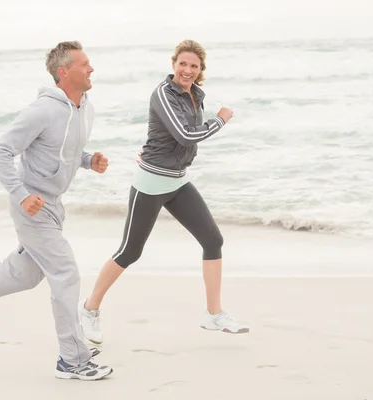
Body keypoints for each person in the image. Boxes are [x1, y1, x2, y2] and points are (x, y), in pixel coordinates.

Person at [0, 41, 113, 381]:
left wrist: (90, 161)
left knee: (24, 274)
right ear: (64, 72)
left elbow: (64, 151)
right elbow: (1, 151)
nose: (92, 69)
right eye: (85, 64)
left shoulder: (85, 108)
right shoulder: (42, 110)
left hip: (53, 206)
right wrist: (19, 194)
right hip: (31, 207)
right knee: (66, 273)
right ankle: (71, 360)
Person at [78, 39, 249, 345]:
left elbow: (179, 140)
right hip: (152, 182)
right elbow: (185, 136)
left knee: (213, 240)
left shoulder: (195, 95)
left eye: (194, 66)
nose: (187, 70)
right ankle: (89, 309)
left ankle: (213, 314)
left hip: (178, 180)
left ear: (200, 70)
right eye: (183, 63)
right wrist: (220, 119)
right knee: (130, 252)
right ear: (173, 64)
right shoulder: (162, 93)